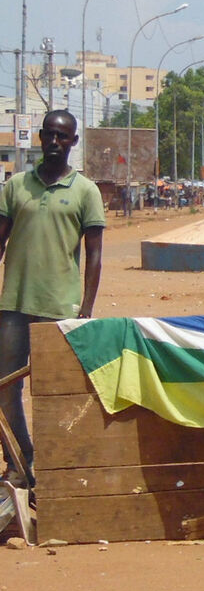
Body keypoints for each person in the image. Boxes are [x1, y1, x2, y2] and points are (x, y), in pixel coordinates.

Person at [0, 110, 105, 487]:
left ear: (73, 141)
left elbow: (94, 254)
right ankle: (19, 464)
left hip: (60, 309)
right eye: (49, 134)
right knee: (4, 388)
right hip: (13, 306)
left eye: (63, 136)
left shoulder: (86, 191)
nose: (55, 142)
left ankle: (55, 472)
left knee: (56, 392)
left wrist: (86, 309)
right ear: (41, 138)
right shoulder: (15, 187)